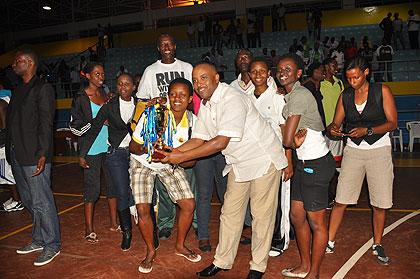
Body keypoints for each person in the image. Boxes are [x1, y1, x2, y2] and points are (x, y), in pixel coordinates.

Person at [160, 62, 288, 279]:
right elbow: (199, 138)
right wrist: (172, 151)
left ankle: (258, 266)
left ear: (216, 78)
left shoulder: (232, 98)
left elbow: (220, 142)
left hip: (262, 158)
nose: (198, 84)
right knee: (229, 214)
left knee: (261, 216)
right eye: (195, 79)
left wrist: (180, 157)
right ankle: (222, 261)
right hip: (239, 162)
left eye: (203, 78)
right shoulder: (207, 105)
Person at [326, 56, 397, 266]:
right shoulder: (345, 95)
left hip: (379, 150)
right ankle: (329, 241)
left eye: (356, 77)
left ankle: (377, 243)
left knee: (380, 203)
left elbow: (393, 123)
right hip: (353, 152)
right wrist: (334, 130)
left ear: (366, 72)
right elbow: (334, 123)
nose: (352, 82)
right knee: (341, 199)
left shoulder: (381, 91)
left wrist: (368, 130)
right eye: (348, 78)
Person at [129, 78, 201, 273]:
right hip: (142, 162)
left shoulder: (194, 122)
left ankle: (179, 246)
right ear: (168, 96)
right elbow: (133, 147)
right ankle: (151, 250)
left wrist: (172, 157)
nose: (177, 98)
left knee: (188, 204)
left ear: (189, 99)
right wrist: (150, 148)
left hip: (169, 163)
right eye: (173, 94)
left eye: (182, 95)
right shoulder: (154, 112)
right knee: (143, 208)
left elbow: (191, 161)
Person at [278, 53, 335, 279]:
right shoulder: (292, 95)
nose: (282, 72)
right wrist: (292, 142)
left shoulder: (300, 95)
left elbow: (286, 139)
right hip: (303, 163)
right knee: (296, 216)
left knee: (316, 221)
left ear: (299, 73)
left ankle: (314, 273)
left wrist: (292, 141)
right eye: (280, 69)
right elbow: (289, 137)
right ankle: (304, 265)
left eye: (288, 69)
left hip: (316, 163)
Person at [6, 48, 61, 266]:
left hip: (35, 155)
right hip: (17, 154)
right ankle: (38, 239)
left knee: (41, 201)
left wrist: (43, 154)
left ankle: (52, 244)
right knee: (29, 200)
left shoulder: (42, 88)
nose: (13, 64)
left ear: (29, 63)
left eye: (17, 61)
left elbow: (46, 123)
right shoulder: (18, 89)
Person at [77, 73, 140, 251]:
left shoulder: (141, 104)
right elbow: (95, 128)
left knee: (142, 190)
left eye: (127, 84)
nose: (123, 87)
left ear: (134, 86)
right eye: (120, 84)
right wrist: (83, 153)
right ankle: (126, 232)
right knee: (121, 191)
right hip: (117, 154)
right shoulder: (110, 106)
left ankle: (150, 226)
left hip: (137, 154)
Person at [248, 59, 294, 258]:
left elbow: (285, 131)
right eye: (254, 71)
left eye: (262, 71)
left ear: (269, 74)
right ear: (249, 75)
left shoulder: (276, 98)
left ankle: (279, 239)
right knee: (260, 203)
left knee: (277, 202)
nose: (258, 75)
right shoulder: (245, 98)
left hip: (275, 157)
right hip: (254, 158)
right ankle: (263, 237)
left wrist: (288, 160)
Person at [69, 62, 118, 243]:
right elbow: (74, 126)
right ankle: (88, 228)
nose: (100, 77)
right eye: (96, 74)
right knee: (93, 189)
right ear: (87, 75)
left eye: (102, 74)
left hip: (109, 147)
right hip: (91, 149)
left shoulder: (106, 94)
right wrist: (97, 122)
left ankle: (114, 223)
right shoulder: (81, 97)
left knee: (112, 187)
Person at [136, 34, 193, 100]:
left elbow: (193, 95)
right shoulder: (150, 70)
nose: (166, 48)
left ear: (174, 46)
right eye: (163, 45)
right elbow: (141, 97)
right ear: (158, 48)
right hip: (159, 110)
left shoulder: (187, 68)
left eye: (169, 44)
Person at [302, 62, 326, 129]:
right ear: (315, 72)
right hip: (313, 122)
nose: (324, 73)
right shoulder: (310, 85)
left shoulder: (315, 83)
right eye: (322, 70)